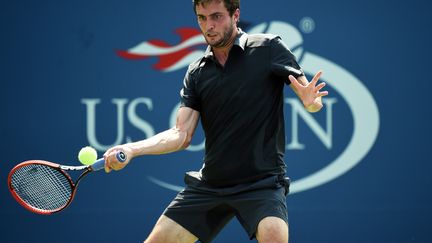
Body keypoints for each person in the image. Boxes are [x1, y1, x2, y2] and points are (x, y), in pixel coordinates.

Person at [103, 0, 328, 242]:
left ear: (235, 15)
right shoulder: (197, 72)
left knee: (274, 236)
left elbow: (311, 98)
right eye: (202, 18)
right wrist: (131, 149)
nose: (208, 25)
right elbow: (181, 134)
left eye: (216, 16)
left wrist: (310, 102)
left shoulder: (268, 48)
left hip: (262, 183)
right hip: (211, 184)